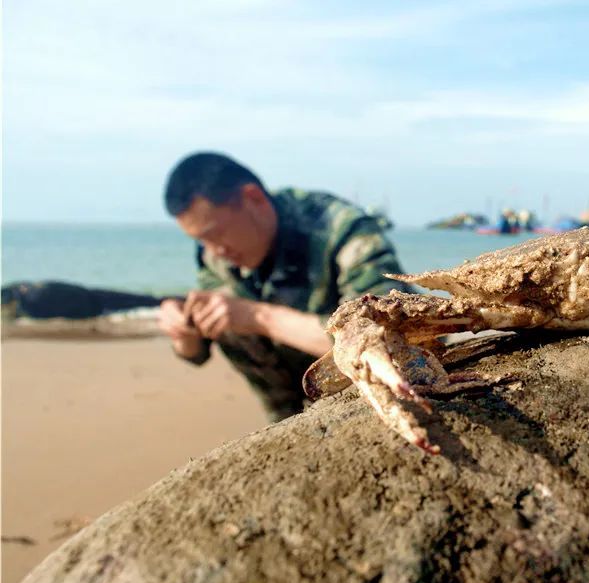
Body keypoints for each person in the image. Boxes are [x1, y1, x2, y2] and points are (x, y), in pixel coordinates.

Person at [158, 152, 411, 422]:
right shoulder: (216, 256)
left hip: (378, 395)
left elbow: (391, 338)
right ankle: (286, 423)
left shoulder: (341, 230)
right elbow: (196, 353)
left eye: (215, 234)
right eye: (200, 241)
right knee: (224, 313)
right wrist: (184, 331)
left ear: (253, 199)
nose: (215, 252)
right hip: (289, 407)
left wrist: (258, 317)